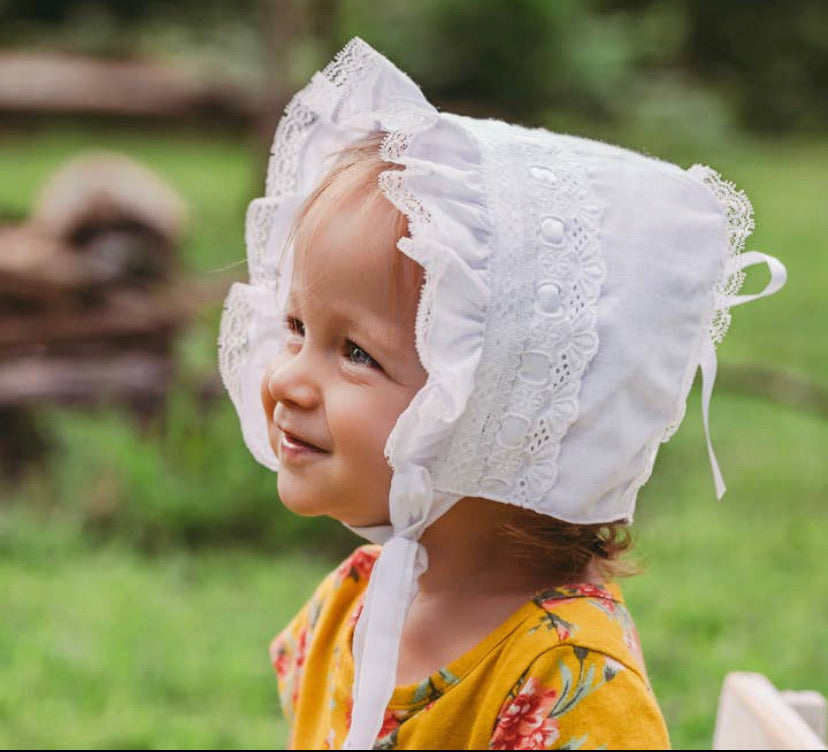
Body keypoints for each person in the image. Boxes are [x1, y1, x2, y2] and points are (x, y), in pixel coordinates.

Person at [217, 38, 787, 750]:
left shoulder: (569, 681)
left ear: (499, 411)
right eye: (297, 328)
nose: (286, 376)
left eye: (356, 352)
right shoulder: (355, 600)